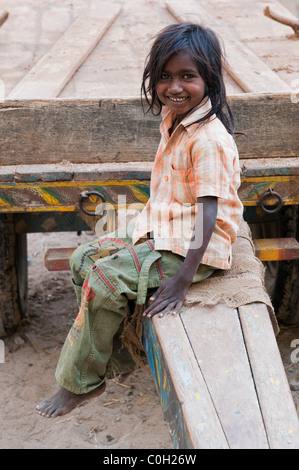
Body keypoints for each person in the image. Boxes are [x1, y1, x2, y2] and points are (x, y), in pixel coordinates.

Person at [36, 22, 243, 418]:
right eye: (165, 76)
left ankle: (80, 382)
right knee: (83, 258)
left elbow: (209, 213)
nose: (174, 87)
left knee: (104, 280)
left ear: (210, 79)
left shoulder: (209, 139)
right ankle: (116, 355)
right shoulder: (174, 118)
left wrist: (182, 281)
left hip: (194, 243)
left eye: (188, 76)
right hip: (165, 223)